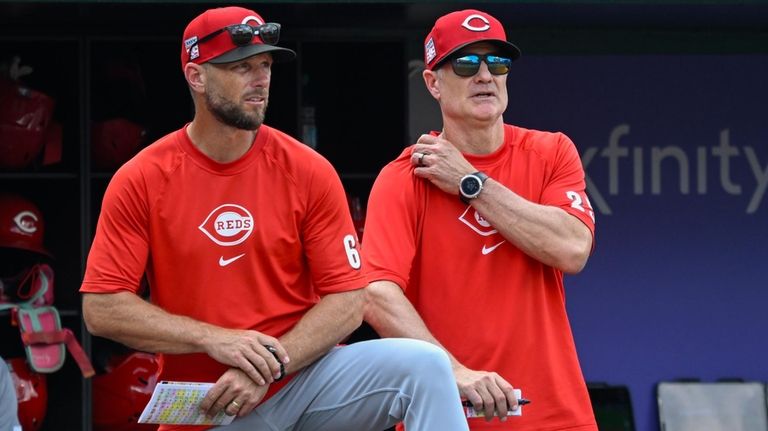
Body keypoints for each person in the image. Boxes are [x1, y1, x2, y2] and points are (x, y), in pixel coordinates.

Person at [80, 6, 469, 431]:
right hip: (215, 402)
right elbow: (103, 308)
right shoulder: (142, 177)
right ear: (196, 76)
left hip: (303, 376)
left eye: (264, 65)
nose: (260, 79)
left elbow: (349, 300)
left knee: (425, 365)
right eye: (241, 66)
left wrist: (269, 368)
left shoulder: (306, 168)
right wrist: (214, 338)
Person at [363, 9, 598, 431]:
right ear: (433, 83)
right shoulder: (403, 177)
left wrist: (472, 183)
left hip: (555, 415)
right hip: (447, 413)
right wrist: (452, 371)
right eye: (467, 63)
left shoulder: (552, 152)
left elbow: (573, 249)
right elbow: (376, 293)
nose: (486, 75)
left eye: (498, 63)